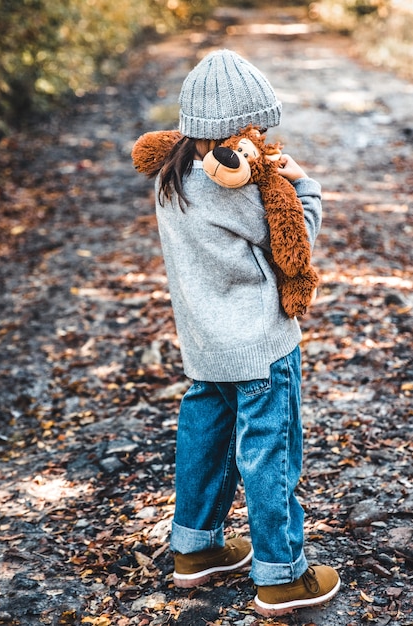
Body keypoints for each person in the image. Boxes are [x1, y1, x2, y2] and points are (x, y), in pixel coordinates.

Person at [153, 48, 340, 617]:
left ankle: (196, 548)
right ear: (234, 131)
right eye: (256, 125)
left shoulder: (172, 175)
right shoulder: (236, 186)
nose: (262, 135)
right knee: (269, 453)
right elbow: (294, 243)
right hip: (260, 346)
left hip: (205, 344)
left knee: (205, 443)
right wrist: (305, 187)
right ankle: (282, 575)